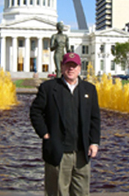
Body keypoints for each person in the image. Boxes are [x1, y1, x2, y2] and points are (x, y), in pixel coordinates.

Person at [30, 52, 100, 196]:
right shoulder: (49, 88)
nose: (71, 69)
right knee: (57, 192)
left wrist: (94, 142)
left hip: (82, 153)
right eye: (68, 65)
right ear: (62, 67)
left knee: (81, 192)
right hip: (58, 152)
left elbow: (95, 118)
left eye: (74, 66)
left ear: (80, 68)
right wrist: (44, 134)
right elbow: (35, 112)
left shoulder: (89, 89)